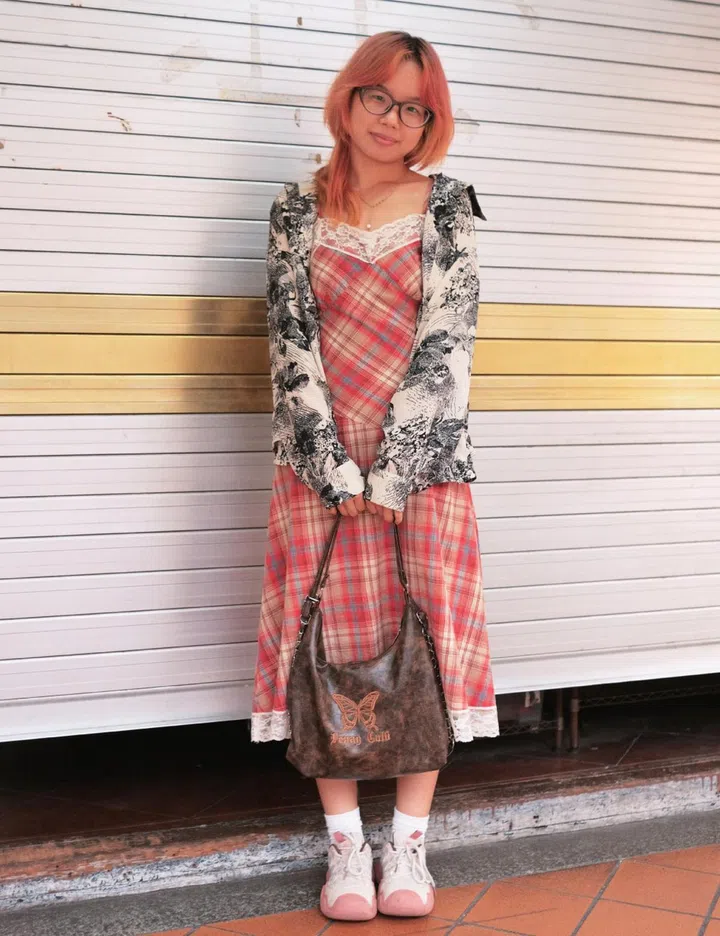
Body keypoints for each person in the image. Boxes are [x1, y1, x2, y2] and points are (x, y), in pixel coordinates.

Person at [251, 30, 499, 923]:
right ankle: (346, 849)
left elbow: (448, 344)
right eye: (378, 97)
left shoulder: (447, 207)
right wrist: (335, 470)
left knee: (423, 642)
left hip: (421, 465)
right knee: (327, 644)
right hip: (318, 463)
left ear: (432, 121)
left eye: (414, 108)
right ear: (348, 98)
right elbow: (289, 343)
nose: (393, 120)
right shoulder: (294, 209)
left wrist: (391, 473)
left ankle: (410, 848)